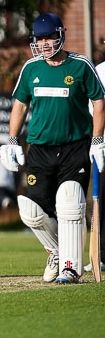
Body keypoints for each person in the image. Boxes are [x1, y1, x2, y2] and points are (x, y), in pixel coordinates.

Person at [0, 12, 105, 284]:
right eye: (40, 39)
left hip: (74, 146)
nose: (45, 43)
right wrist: (12, 140)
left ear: (61, 35)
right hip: (40, 148)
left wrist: (97, 140)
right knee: (33, 210)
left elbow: (99, 102)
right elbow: (20, 105)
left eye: (50, 37)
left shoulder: (80, 65)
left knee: (69, 202)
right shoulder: (31, 68)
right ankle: (57, 252)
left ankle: (70, 268)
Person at [84, 59, 105, 273]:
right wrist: (97, 140)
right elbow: (94, 107)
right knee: (102, 201)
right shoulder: (99, 71)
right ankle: (101, 255)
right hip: (103, 144)